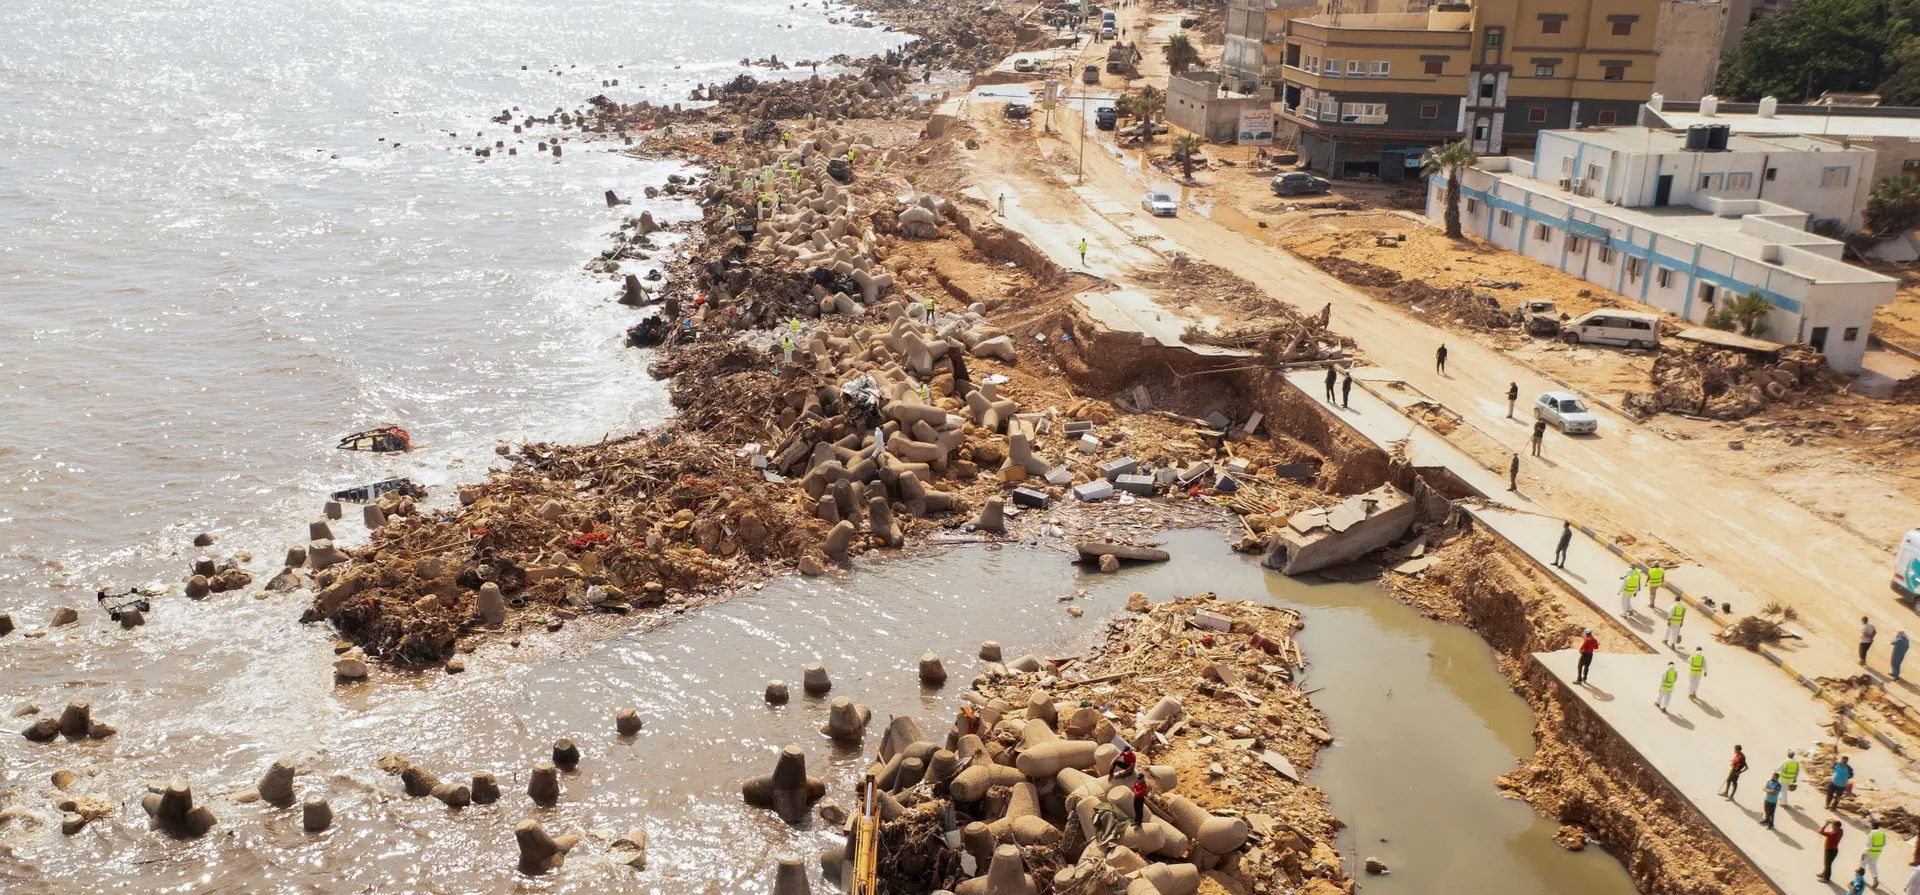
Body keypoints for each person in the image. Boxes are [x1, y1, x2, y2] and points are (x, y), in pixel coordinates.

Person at [1865, 817, 1890, 887]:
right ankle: (1875, 879)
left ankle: (1859, 879)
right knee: (1872, 866)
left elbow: (1868, 845)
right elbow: (1884, 844)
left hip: (1869, 852)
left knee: (1862, 864)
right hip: (1877, 853)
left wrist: (1864, 853)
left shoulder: (1871, 834)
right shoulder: (1882, 834)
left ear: (1872, 826)